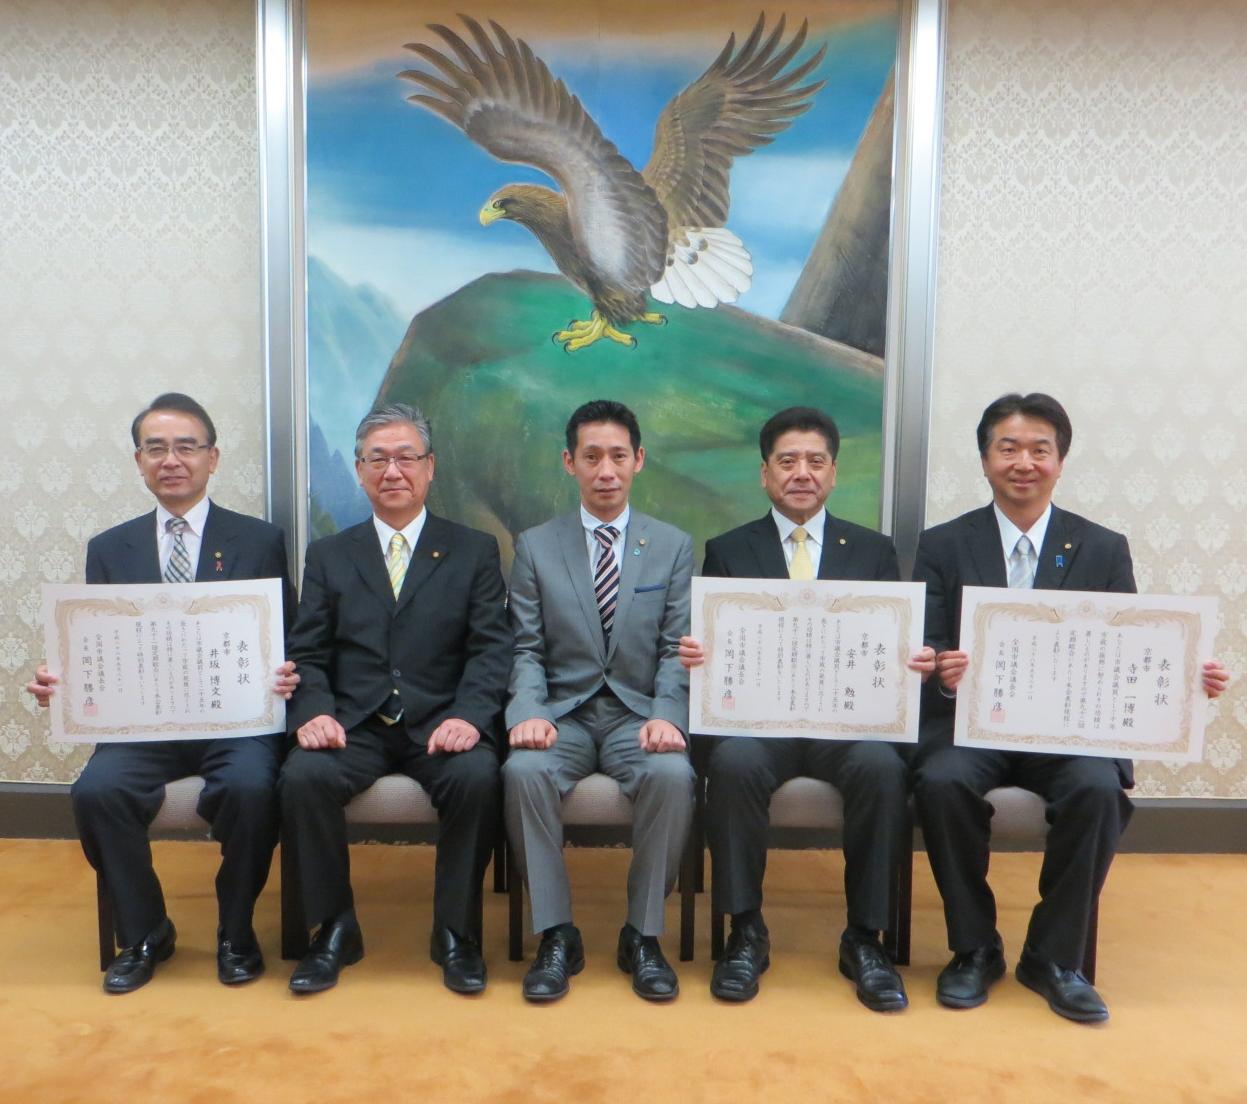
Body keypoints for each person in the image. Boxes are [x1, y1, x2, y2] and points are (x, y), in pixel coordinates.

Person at [913, 391, 1229, 1023]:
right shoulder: (943, 544)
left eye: (1040, 450)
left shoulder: (1102, 548)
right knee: (941, 781)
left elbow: (1133, 645)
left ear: (1060, 461)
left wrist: (1187, 677)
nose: (1023, 462)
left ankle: (1054, 958)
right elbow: (929, 643)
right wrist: (943, 672)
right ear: (985, 459)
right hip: (973, 727)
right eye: (1008, 448)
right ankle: (974, 948)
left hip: (1067, 733)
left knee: (1097, 787)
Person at [26, 392, 297, 993]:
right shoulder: (109, 547)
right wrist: (62, 681)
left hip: (233, 723)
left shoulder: (258, 540)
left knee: (253, 788)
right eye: (156, 449)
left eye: (185, 447)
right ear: (139, 461)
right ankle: (146, 931)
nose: (171, 460)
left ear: (212, 458)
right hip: (144, 727)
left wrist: (286, 671)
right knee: (96, 791)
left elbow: (290, 636)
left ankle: (235, 929)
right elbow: (99, 641)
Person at [677, 407, 935, 1008]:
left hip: (844, 724)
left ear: (833, 473)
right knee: (733, 764)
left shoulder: (873, 551)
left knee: (881, 768)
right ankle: (745, 931)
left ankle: (865, 937)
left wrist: (912, 657)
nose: (802, 473)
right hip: (760, 725)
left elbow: (886, 641)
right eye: (787, 461)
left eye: (815, 461)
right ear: (764, 473)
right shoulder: (729, 550)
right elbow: (717, 645)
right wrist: (699, 653)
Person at [278, 403, 511, 995]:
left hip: (441, 721)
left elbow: (491, 649)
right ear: (360, 472)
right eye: (377, 459)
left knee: (477, 777)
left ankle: (455, 933)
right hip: (354, 723)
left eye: (406, 457)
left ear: (429, 467)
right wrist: (315, 713)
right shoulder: (331, 554)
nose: (393, 471)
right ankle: (334, 930)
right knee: (303, 776)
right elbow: (308, 651)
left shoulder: (474, 550)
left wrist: (469, 717)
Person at [504, 400, 695, 1002]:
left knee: (673, 775)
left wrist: (667, 716)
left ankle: (643, 935)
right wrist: (528, 712)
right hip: (562, 715)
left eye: (618, 456)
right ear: (570, 463)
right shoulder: (536, 546)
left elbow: (676, 648)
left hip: (638, 716)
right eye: (591, 457)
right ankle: (556, 934)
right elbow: (526, 647)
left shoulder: (673, 546)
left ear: (639, 460)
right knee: (522, 771)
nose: (605, 471)